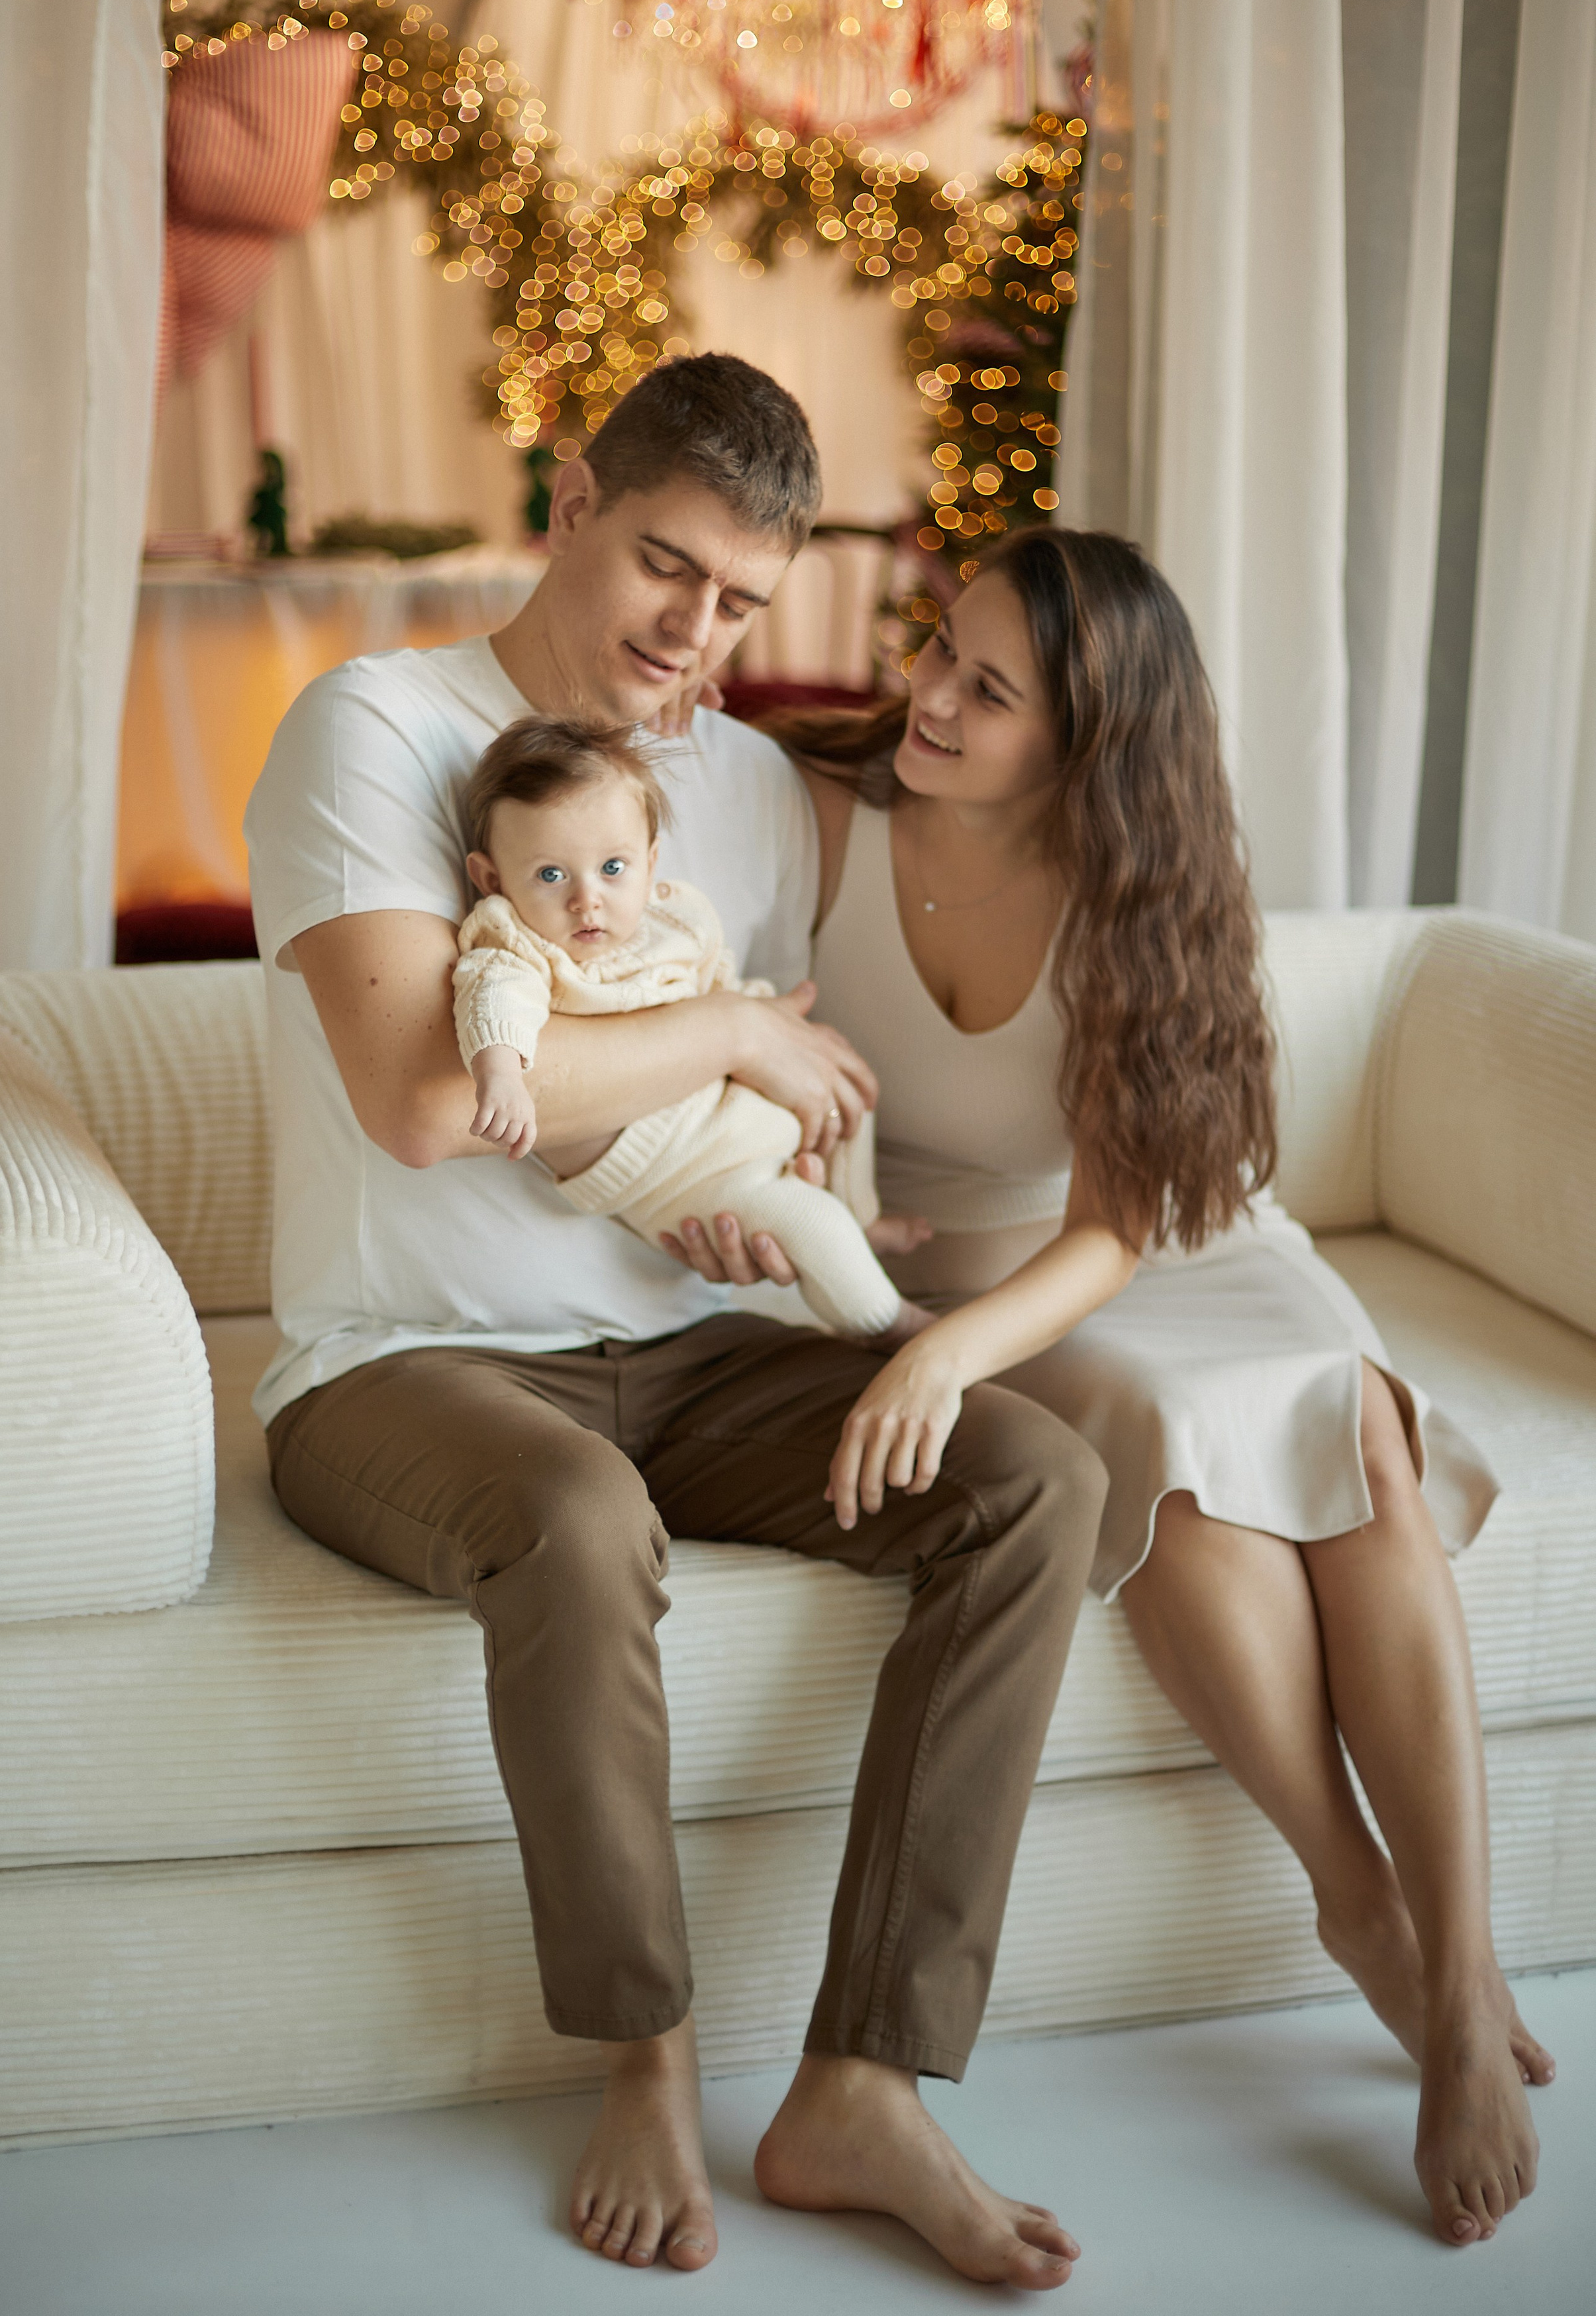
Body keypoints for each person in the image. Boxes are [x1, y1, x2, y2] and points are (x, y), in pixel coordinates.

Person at [242, 355, 1107, 2290]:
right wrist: (724, 1030)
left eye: (737, 598)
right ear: (567, 495)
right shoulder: (373, 731)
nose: (693, 634)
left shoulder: (744, 793)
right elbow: (426, 1090)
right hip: (408, 1358)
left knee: (1034, 1472)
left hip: (697, 1347)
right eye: (664, 567)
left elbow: (738, 1103)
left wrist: (746, 1189)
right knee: (571, 1513)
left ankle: (862, 2078)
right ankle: (637, 2056)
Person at [671, 526, 1553, 2252]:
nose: (927, 693)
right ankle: (1355, 1900)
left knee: (1350, 1419)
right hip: (951, 1265)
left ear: (1087, 747)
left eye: (988, 692)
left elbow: (1119, 1228)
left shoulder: (1135, 892)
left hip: (1151, 1250)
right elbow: (695, 1000)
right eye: (940, 649)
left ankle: (1455, 1976)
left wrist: (944, 1360)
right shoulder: (818, 817)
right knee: (1169, 1444)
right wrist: (764, 1190)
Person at [454, 713, 921, 1340]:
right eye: (551, 875)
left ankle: (863, 1216)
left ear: (649, 862)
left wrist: (768, 1019)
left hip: (730, 1107)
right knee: (810, 1224)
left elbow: (713, 984)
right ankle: (892, 1324)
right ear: (492, 880)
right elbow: (492, 997)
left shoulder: (670, 920)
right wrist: (502, 1073)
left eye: (613, 869)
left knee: (846, 1099)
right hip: (679, 1170)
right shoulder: (520, 947)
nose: (586, 899)